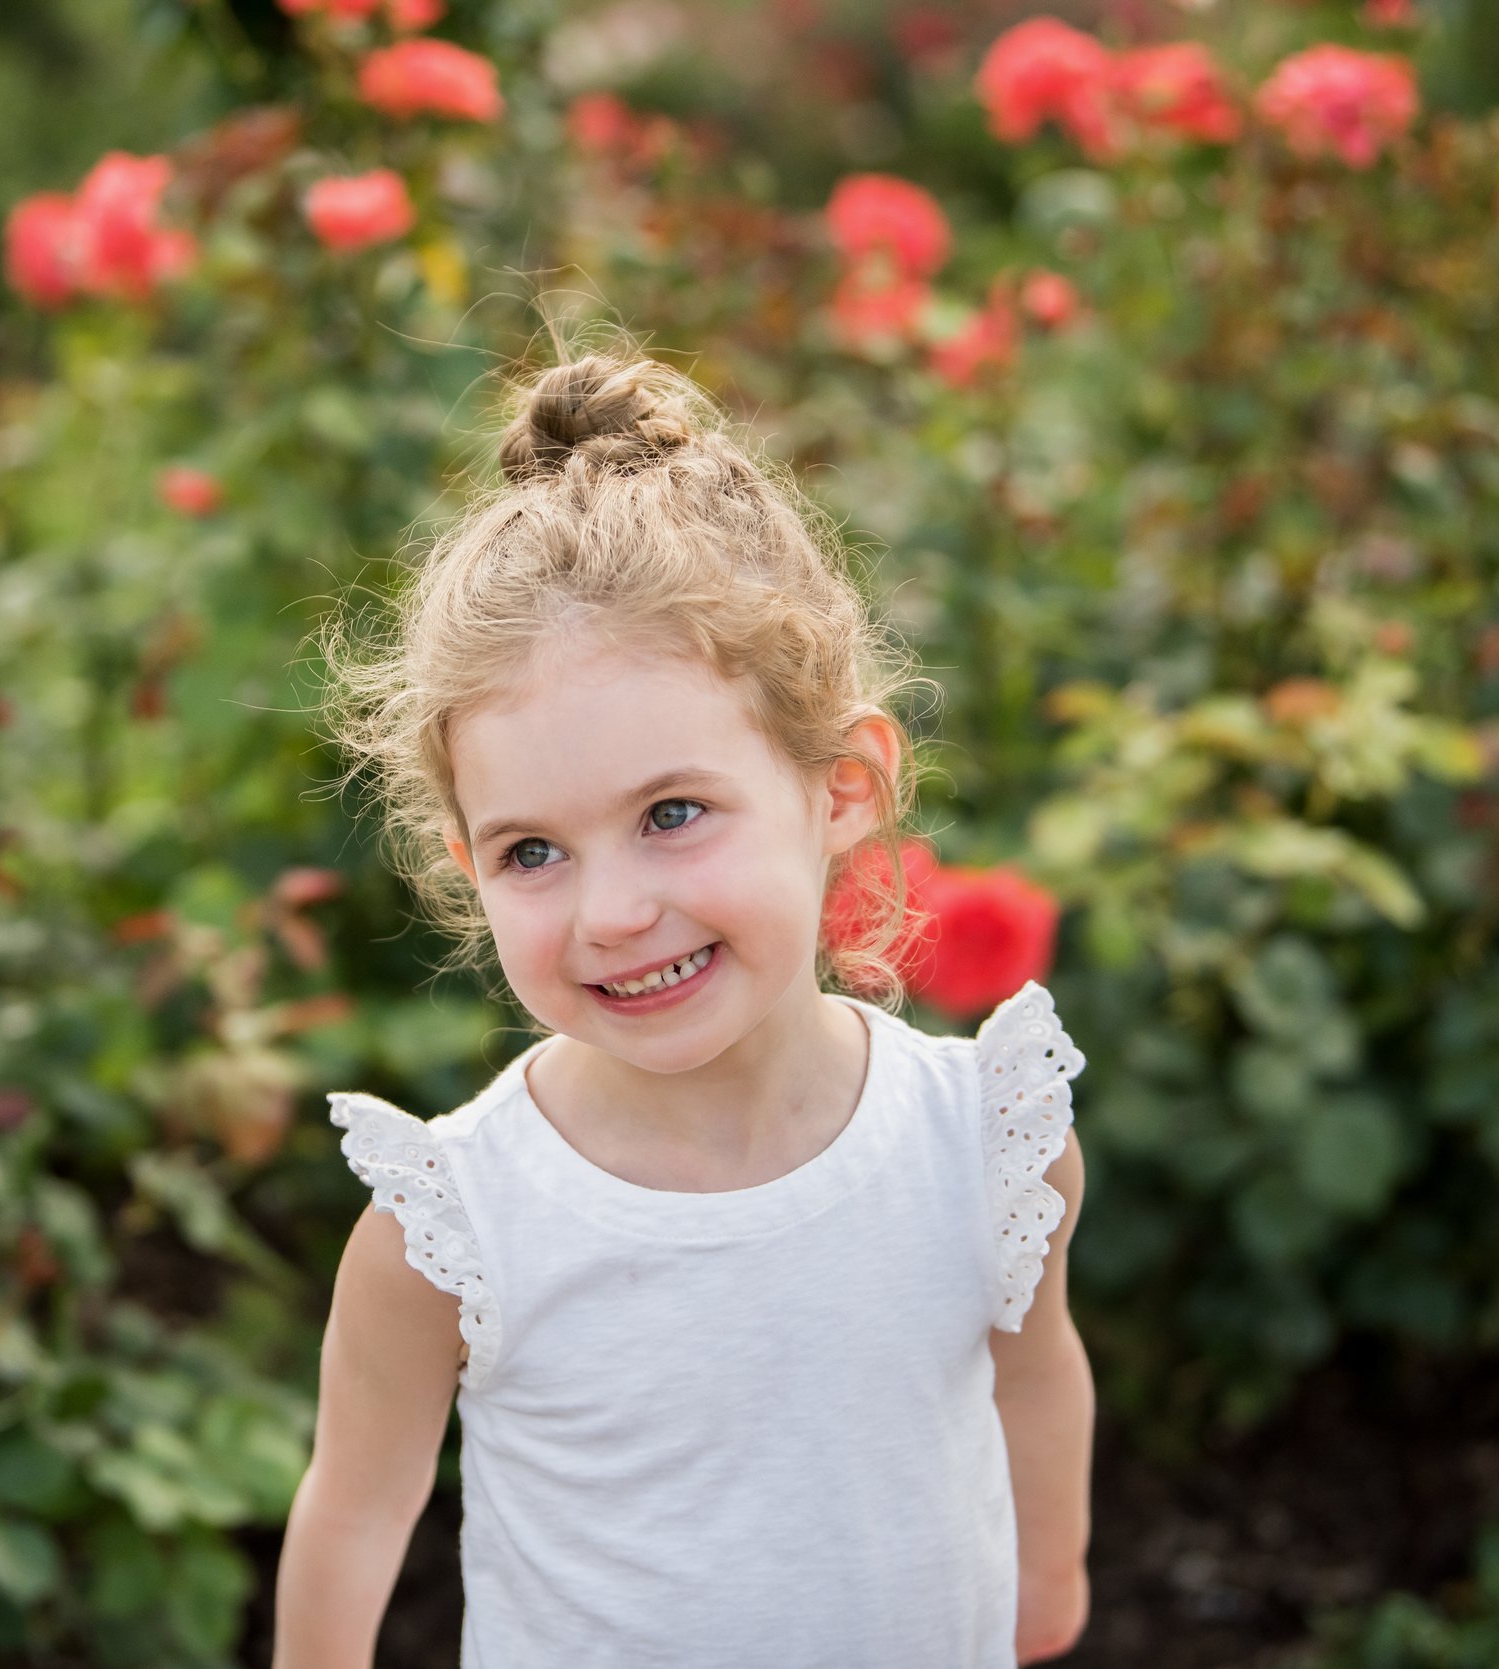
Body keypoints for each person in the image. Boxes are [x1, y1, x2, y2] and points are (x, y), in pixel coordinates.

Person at [273, 341, 1093, 1668]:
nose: (607, 911)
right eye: (533, 850)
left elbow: (1034, 1368)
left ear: (840, 786)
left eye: (671, 813)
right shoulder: (460, 1225)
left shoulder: (978, 1141)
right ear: (464, 857)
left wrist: (1046, 1580)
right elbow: (356, 1504)